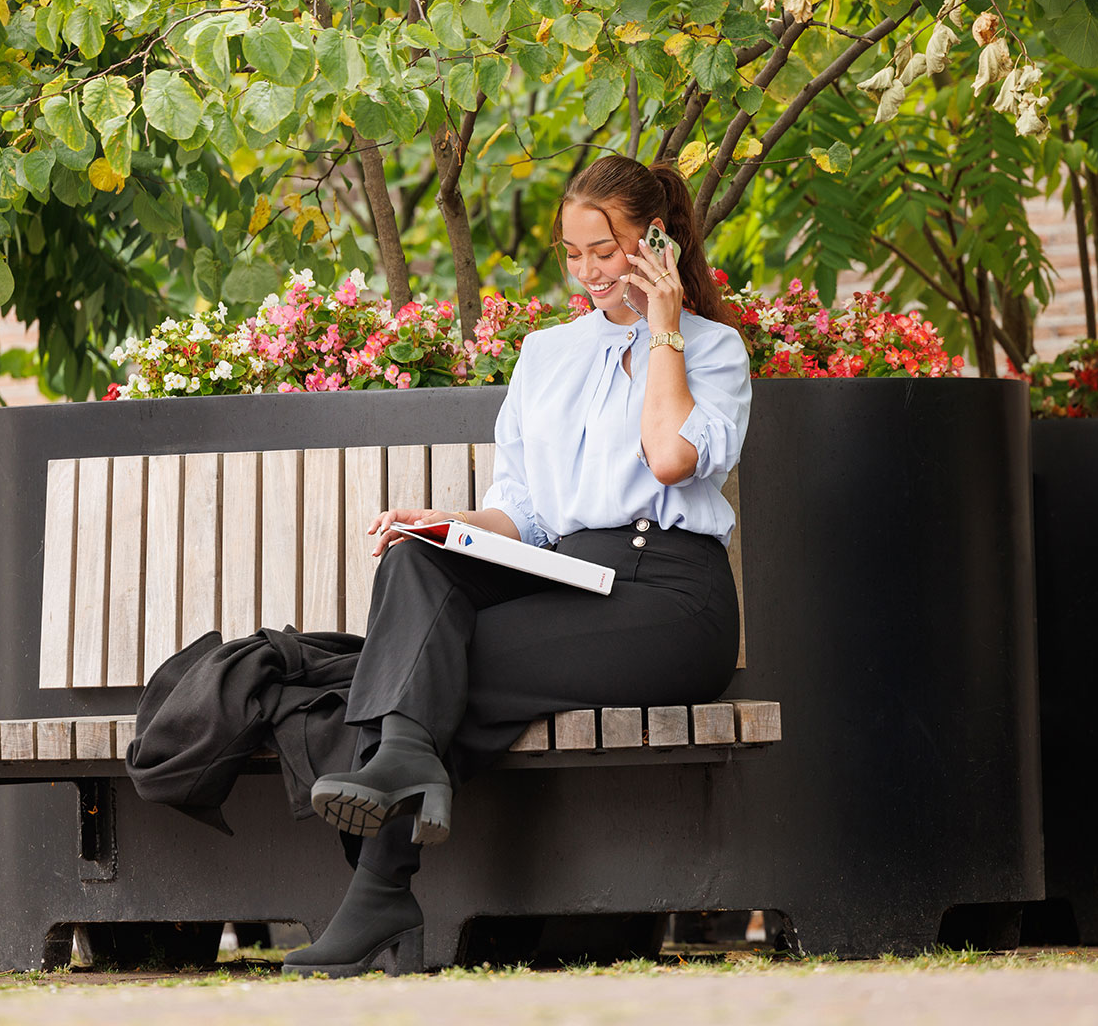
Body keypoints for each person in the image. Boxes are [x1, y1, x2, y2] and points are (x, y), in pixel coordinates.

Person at [280, 154, 754, 977]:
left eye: (603, 251)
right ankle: (398, 788)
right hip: (571, 579)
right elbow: (526, 514)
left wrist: (666, 324)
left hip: (673, 602)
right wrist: (447, 522)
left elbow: (672, 458)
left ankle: (380, 886)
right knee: (414, 564)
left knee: (426, 674)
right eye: (573, 254)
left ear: (654, 240)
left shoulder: (714, 350)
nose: (587, 272)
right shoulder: (545, 355)